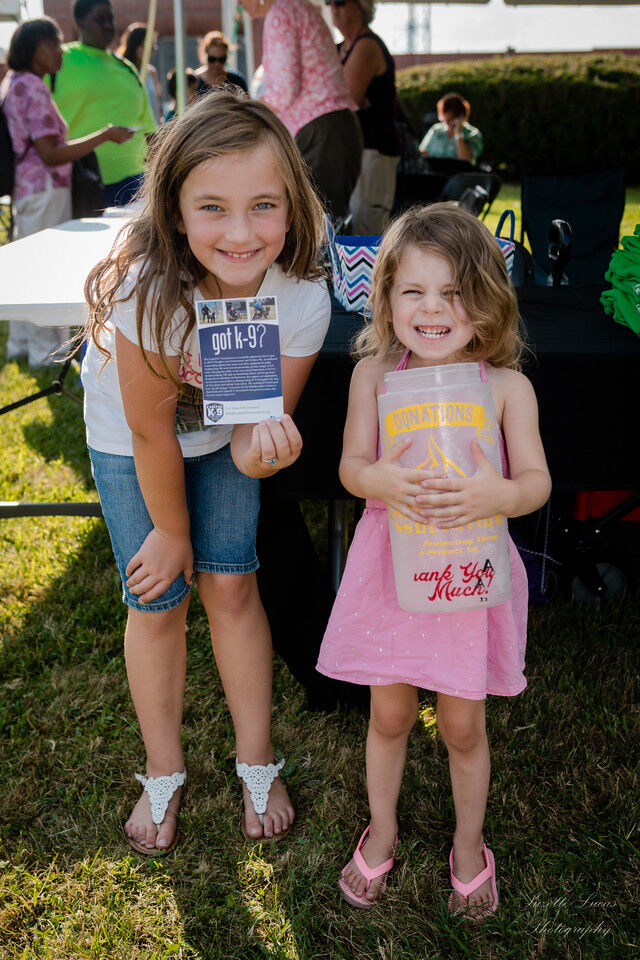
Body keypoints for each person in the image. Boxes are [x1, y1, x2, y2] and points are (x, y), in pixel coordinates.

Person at [82, 88, 331, 854]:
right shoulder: (146, 291)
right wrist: (169, 530)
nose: (241, 232)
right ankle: (164, 770)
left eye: (263, 206)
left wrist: (264, 450)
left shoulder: (301, 298)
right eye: (213, 208)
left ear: (292, 206)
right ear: (177, 212)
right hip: (133, 444)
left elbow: (254, 427)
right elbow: (154, 432)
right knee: (156, 597)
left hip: (219, 439)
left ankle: (256, 757)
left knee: (232, 581)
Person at [316, 204, 551, 916]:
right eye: (414, 291)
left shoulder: (507, 387)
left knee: (461, 725)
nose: (433, 309)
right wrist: (376, 479)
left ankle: (470, 844)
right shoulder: (374, 377)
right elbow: (352, 467)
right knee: (388, 715)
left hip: (468, 576)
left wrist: (498, 491)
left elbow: (537, 483)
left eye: (453, 293)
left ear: (486, 303)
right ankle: (382, 830)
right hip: (391, 570)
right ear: (385, 298)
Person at [1, 16, 132, 367]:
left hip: (28, 191)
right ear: (32, 49)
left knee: (30, 266)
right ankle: (48, 353)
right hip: (44, 187)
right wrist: (104, 135)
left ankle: (23, 346)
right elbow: (51, 153)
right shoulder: (33, 87)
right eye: (53, 43)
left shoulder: (16, 83)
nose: (60, 51)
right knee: (44, 268)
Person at [240, 0, 362, 223]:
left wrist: (243, 112)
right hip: (331, 130)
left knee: (313, 231)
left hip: (321, 133)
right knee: (324, 230)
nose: (237, 2)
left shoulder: (281, 13)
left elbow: (284, 93)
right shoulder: (295, 7)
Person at [50, 0, 156, 207]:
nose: (108, 26)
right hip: (79, 183)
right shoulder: (58, 61)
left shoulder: (127, 69)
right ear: (79, 22)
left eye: (111, 19)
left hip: (135, 183)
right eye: (100, 19)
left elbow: (150, 131)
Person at [330, 0, 401, 235]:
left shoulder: (367, 45)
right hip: (350, 150)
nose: (333, 8)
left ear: (361, 6)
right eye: (329, 2)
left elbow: (345, 100)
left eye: (340, 2)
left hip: (373, 150)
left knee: (366, 231)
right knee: (347, 226)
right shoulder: (340, 48)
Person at [419, 92, 483, 166]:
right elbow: (423, 152)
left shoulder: (472, 134)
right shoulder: (436, 130)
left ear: (461, 117)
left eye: (451, 119)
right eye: (445, 120)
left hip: (459, 175)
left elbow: (466, 160)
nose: (448, 123)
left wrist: (458, 134)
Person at [116, 22, 162, 125]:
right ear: (135, 47)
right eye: (149, 46)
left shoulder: (151, 72)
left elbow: (155, 106)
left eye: (154, 46)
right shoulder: (121, 71)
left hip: (152, 134)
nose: (152, 51)